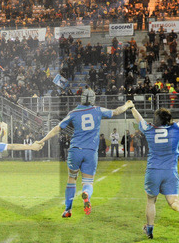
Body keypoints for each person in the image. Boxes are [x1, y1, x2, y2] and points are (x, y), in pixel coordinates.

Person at [37, 88, 133, 217]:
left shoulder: (73, 113)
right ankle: (86, 193)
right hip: (91, 152)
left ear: (81, 98)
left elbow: (57, 128)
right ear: (93, 99)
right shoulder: (98, 110)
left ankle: (67, 210)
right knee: (88, 182)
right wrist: (127, 105)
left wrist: (42, 140)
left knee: (71, 179)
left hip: (75, 150)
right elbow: (116, 111)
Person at [131, 90, 179, 238]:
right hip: (170, 171)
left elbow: (139, 120)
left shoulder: (150, 130)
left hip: (153, 171)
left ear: (157, 120)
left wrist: (132, 107)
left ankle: (149, 229)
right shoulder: (175, 129)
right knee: (173, 201)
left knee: (151, 201)